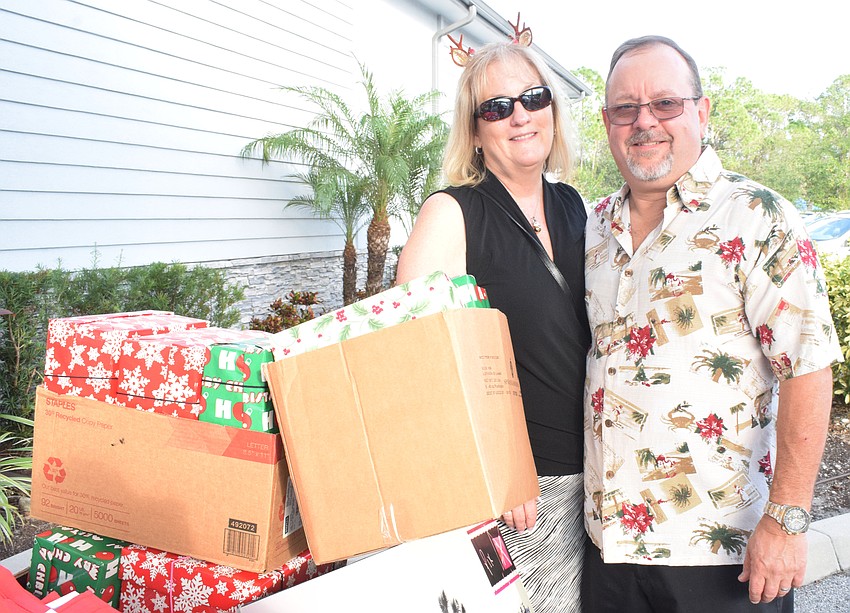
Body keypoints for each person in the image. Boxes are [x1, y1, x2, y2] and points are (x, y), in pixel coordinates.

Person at [582, 35, 842, 612]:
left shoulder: (756, 217)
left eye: (665, 104)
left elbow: (808, 368)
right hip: (609, 554)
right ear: (607, 123)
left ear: (701, 112)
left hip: (723, 557)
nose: (644, 122)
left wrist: (787, 521)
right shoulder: (593, 228)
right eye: (626, 108)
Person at [396, 40, 589, 612]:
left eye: (533, 98)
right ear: (475, 132)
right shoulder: (452, 214)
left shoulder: (574, 206)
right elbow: (415, 365)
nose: (520, 116)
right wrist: (497, 468)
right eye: (497, 107)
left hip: (596, 485)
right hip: (519, 499)